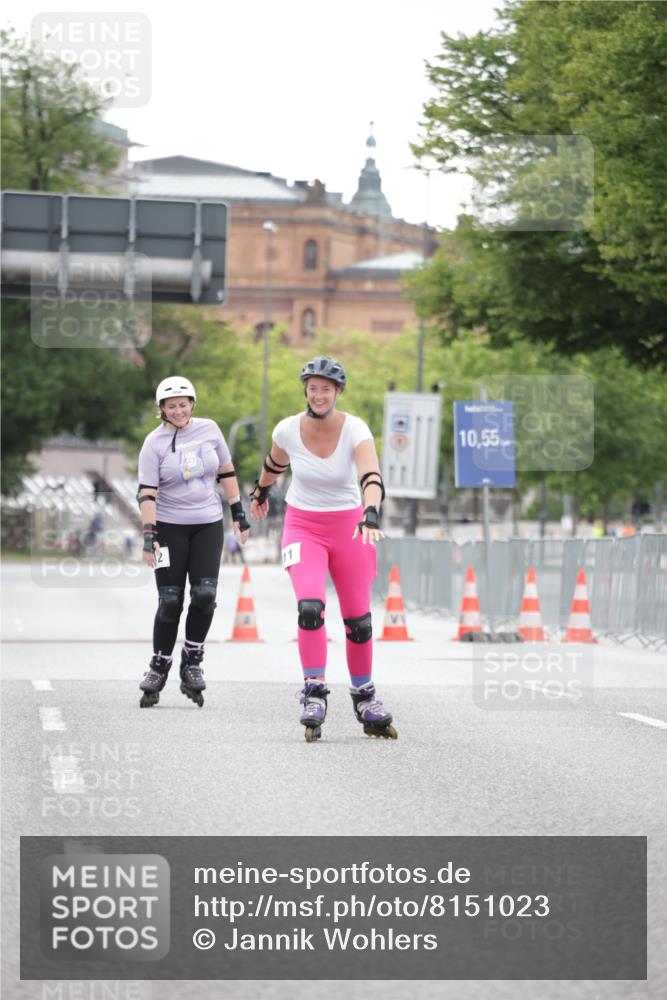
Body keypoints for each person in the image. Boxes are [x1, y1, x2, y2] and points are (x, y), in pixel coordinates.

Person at [250, 355, 397, 742]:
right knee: (310, 608)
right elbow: (274, 463)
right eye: (313, 388)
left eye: (326, 389)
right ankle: (314, 691)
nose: (318, 395)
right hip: (303, 526)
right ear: (306, 390)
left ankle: (365, 697)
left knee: (358, 621)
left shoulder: (355, 429)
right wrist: (261, 491)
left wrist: (371, 512)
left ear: (337, 392)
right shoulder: (287, 429)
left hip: (350, 527)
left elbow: (371, 475)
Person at [136, 375, 249, 708]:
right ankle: (159, 666)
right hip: (168, 528)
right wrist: (149, 535)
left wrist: (238, 513)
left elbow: (226, 472)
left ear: (192, 404)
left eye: (183, 404)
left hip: (207, 524)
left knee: (205, 594)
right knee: (170, 600)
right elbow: (147, 492)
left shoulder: (210, 430)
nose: (178, 411)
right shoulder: (153, 443)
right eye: (171, 406)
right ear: (162, 409)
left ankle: (192, 661)